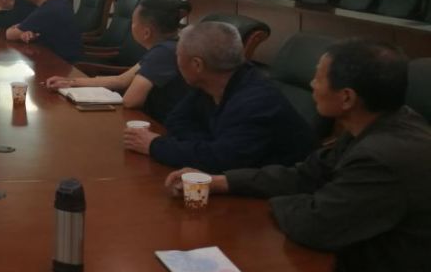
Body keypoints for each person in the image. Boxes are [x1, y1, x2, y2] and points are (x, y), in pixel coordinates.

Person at [164, 40, 431, 272]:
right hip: (354, 269)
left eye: (318, 78)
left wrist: (274, 204)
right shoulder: (375, 126)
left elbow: (315, 224)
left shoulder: (384, 157)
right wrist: (222, 182)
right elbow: (304, 175)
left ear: (347, 97)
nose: (311, 84)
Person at [124, 21, 315, 171]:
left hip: (278, 191)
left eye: (178, 55)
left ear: (197, 65)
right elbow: (176, 121)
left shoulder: (255, 101)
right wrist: (207, 147)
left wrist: (154, 145)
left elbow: (221, 161)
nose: (176, 61)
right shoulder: (209, 84)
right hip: (237, 176)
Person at [45, 0, 190, 122]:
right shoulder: (166, 47)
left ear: (146, 33)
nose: (131, 26)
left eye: (133, 22)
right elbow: (121, 80)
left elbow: (130, 100)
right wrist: (70, 82)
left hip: (161, 126)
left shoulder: (163, 53)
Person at [6, 0, 82, 62]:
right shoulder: (59, 3)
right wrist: (24, 33)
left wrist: (18, 31)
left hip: (62, 65)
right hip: (53, 59)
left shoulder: (49, 10)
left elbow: (9, 34)